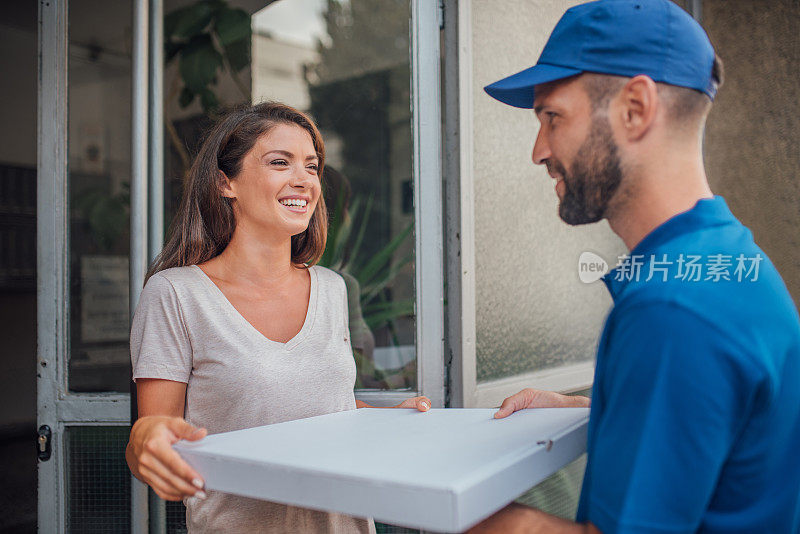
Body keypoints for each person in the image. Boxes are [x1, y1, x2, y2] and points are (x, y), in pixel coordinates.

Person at [471, 1, 800, 532]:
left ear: (636, 108)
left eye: (552, 116)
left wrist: (472, 514)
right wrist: (598, 404)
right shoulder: (725, 258)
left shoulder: (675, 309)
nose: (538, 150)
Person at [125, 102, 430, 534]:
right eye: (280, 162)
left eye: (312, 166)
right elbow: (152, 437)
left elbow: (322, 409)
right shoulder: (176, 295)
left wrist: (384, 419)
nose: (304, 179)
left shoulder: (332, 289)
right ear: (224, 182)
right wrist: (146, 443)